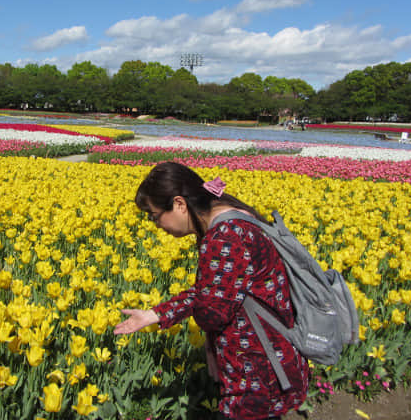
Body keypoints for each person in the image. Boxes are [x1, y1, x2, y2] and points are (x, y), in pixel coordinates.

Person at [114, 162, 309, 420]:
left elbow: (212, 311)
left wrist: (198, 321)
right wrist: (155, 315)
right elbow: (215, 289)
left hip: (255, 372)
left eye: (154, 215)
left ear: (180, 204)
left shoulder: (225, 236)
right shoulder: (234, 216)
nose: (156, 225)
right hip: (268, 362)